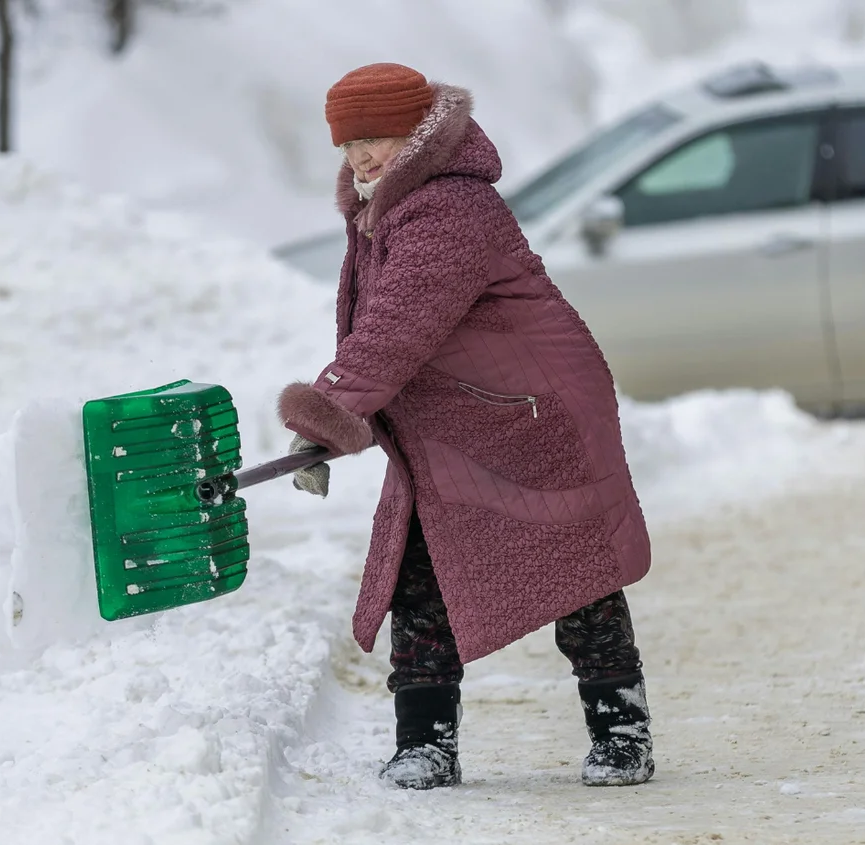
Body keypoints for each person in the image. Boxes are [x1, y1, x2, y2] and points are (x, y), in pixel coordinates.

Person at [277, 63, 654, 791]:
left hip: (535, 413)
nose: (360, 156)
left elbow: (395, 327)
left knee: (579, 574)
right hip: (459, 421)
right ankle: (426, 742)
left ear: (419, 133)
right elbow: (383, 330)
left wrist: (330, 410)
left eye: (377, 137)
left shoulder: (449, 207)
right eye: (349, 143)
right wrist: (341, 410)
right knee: (418, 578)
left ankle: (622, 733)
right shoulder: (385, 206)